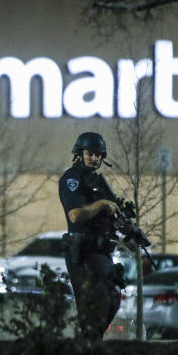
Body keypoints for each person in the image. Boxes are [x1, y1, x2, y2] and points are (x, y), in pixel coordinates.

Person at [58, 131, 125, 341]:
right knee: (95, 304)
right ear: (80, 153)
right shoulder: (72, 178)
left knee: (112, 299)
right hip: (83, 252)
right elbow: (76, 215)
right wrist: (102, 204)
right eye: (90, 153)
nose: (94, 158)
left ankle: (90, 344)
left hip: (101, 253)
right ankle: (85, 349)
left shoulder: (96, 182)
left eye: (98, 155)